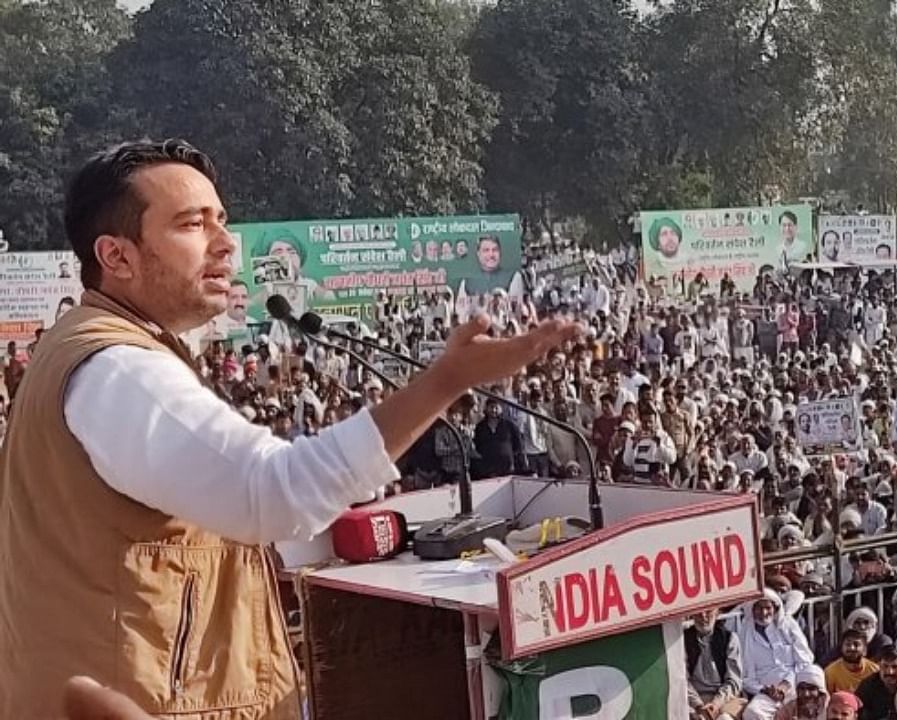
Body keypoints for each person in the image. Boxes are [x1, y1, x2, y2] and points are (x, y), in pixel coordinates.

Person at [0, 139, 579, 718]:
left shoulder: (93, 349)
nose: (226, 244)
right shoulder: (119, 369)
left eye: (221, 221)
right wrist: (443, 382)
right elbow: (273, 494)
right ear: (117, 256)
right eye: (192, 224)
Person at [740, 590, 815, 720]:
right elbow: (746, 678)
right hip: (766, 693)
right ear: (752, 610)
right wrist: (765, 690)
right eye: (759, 608)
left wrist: (786, 684)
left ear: (775, 608)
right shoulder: (745, 634)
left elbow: (805, 660)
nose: (764, 613)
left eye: (767, 608)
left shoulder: (788, 625)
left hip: (796, 684)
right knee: (752, 713)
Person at [687, 607, 746, 720]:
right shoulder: (683, 640)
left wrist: (716, 703)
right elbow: (682, 681)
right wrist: (698, 705)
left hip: (726, 698)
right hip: (695, 699)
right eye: (698, 612)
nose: (703, 616)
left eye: (708, 611)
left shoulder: (730, 638)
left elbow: (734, 681)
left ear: (718, 612)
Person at [826, 629, 879, 693]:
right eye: (848, 644)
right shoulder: (830, 672)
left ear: (865, 650)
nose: (851, 648)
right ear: (841, 648)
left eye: (856, 644)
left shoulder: (874, 670)